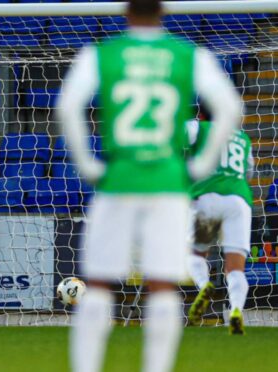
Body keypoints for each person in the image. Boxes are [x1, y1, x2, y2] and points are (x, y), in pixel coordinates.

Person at [58, 0, 242, 371]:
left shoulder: (101, 54)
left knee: (99, 285)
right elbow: (231, 108)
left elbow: (67, 107)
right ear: (164, 11)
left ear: (126, 12)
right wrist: (201, 164)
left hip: (118, 180)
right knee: (162, 286)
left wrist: (88, 165)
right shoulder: (190, 56)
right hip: (169, 184)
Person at [186, 113, 253, 335]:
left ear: (202, 113)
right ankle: (236, 311)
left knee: (196, 255)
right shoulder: (243, 137)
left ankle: (204, 285)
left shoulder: (198, 128)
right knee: (235, 269)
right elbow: (248, 171)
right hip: (238, 201)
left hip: (207, 198)